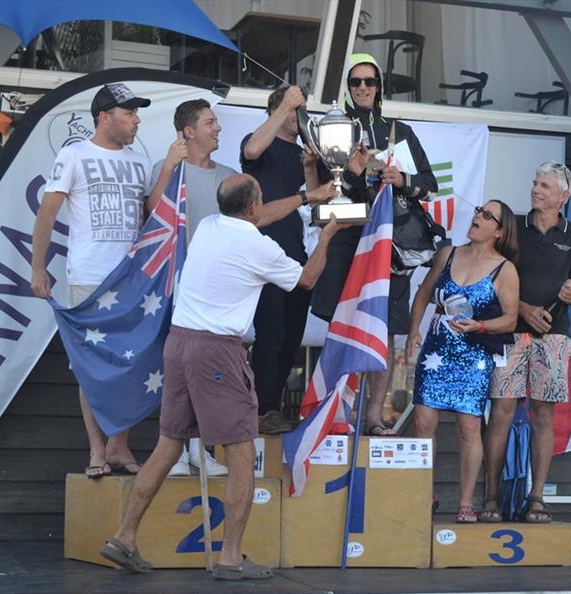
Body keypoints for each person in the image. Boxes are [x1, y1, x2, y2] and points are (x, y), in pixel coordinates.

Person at [99, 174, 344, 578]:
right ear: (252, 208)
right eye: (261, 201)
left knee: (168, 445)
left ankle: (124, 536)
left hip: (178, 343)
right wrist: (327, 235)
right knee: (242, 452)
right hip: (216, 351)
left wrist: (306, 197)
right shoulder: (258, 245)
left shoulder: (210, 226)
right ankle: (231, 558)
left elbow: (258, 218)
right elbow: (306, 279)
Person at [150, 99, 336, 472]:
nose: (218, 128)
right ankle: (179, 454)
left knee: (199, 374)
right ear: (188, 131)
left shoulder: (227, 176)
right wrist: (170, 166)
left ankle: (198, 454)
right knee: (182, 374)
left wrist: (307, 194)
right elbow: (153, 214)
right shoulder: (169, 168)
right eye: (210, 122)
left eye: (217, 121)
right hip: (174, 279)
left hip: (214, 286)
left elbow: (259, 218)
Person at [311, 53, 439, 436]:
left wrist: (402, 181)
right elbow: (324, 193)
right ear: (347, 89)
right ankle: (334, 411)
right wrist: (352, 175)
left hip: (389, 240)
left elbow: (430, 185)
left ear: (379, 86)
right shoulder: (333, 128)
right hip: (350, 235)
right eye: (355, 82)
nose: (363, 88)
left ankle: (372, 416)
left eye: (369, 81)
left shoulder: (399, 129)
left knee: (383, 328)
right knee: (343, 321)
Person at [30, 83, 151, 479]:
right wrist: (37, 267)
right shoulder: (74, 153)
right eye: (129, 112)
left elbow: (152, 218)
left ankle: (120, 446)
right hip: (89, 275)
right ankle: (96, 448)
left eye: (136, 112)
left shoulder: (139, 160)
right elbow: (47, 214)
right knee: (92, 366)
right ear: (105, 117)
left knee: (131, 362)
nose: (136, 119)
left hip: (131, 279)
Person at [481, 162, 571, 524]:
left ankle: (537, 498)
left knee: (544, 415)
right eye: (534, 182)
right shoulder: (515, 228)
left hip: (555, 336)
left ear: (563, 195)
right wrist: (523, 308)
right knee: (501, 412)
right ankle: (491, 498)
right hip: (510, 331)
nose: (535, 189)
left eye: (544, 185)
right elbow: (495, 278)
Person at [406, 200, 519, 522]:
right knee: (423, 420)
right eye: (478, 211)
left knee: (468, 427)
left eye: (486, 216)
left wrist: (480, 325)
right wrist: (414, 329)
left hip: (474, 352)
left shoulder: (505, 269)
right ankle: (423, 493)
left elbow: (510, 320)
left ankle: (466, 502)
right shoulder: (449, 253)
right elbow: (424, 293)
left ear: (499, 231)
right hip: (438, 346)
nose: (477, 217)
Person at [240, 85, 323, 434]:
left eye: (301, 109)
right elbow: (251, 149)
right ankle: (260, 410)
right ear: (277, 110)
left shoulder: (309, 149)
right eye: (293, 110)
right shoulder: (261, 141)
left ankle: (269, 407)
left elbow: (318, 203)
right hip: (264, 251)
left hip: (298, 253)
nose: (298, 115)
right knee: (270, 334)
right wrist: (284, 106)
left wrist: (310, 164)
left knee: (291, 337)